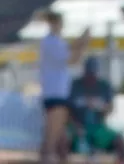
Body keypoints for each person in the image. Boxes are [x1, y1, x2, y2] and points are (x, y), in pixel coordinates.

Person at [68, 55, 124, 161]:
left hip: (98, 127)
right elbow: (67, 110)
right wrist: (76, 125)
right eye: (89, 74)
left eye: (93, 74)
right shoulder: (75, 85)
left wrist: (100, 107)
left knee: (120, 142)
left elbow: (110, 109)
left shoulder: (104, 86)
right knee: (63, 140)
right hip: (76, 127)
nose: (91, 78)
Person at [37, 9, 80, 163]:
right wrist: (83, 44)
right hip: (55, 93)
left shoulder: (55, 42)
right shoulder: (51, 42)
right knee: (52, 137)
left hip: (58, 92)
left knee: (60, 136)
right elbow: (71, 59)